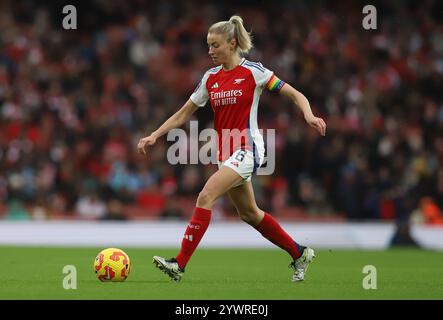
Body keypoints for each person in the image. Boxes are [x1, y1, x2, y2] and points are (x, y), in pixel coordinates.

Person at [137, 15, 326, 282]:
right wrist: (154, 135)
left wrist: (308, 114)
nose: (210, 51)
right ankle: (299, 253)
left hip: (248, 148)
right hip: (225, 153)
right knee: (249, 213)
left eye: (215, 45)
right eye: (208, 45)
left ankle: (179, 264)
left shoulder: (254, 71)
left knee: (205, 196)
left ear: (232, 43)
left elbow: (295, 94)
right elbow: (183, 114)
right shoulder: (210, 78)